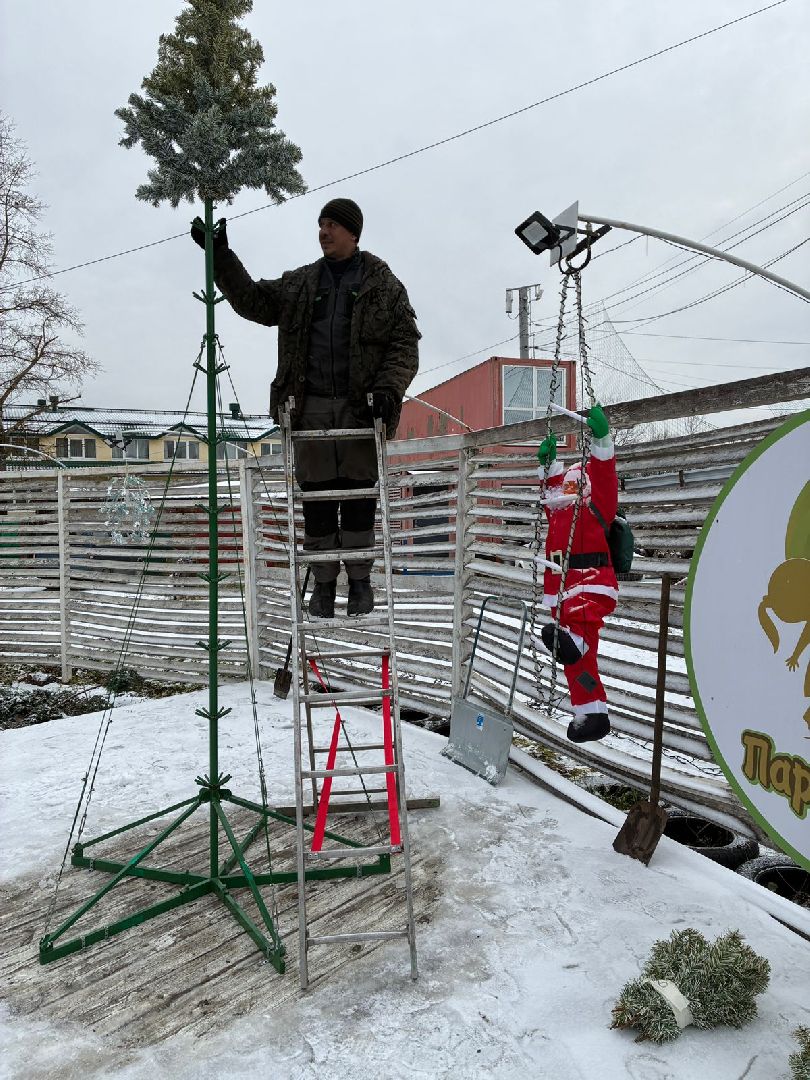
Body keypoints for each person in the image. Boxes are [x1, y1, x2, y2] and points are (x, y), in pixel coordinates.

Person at [191, 198, 420, 618]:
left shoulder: (384, 286)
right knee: (315, 502)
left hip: (359, 413)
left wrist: (389, 388)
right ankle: (324, 587)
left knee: (357, 500)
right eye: (320, 224)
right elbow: (253, 301)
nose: (323, 231)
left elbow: (405, 344)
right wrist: (219, 254)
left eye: (332, 224)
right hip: (309, 410)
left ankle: (360, 584)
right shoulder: (300, 285)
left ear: (354, 232)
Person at [535, 404, 618, 743]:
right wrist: (548, 466)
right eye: (565, 488)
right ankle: (591, 712)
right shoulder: (558, 513)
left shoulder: (596, 506)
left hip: (591, 583)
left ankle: (576, 641)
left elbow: (604, 477)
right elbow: (552, 490)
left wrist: (601, 439)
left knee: (575, 639)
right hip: (564, 587)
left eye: (574, 487)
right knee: (578, 664)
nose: (567, 493)